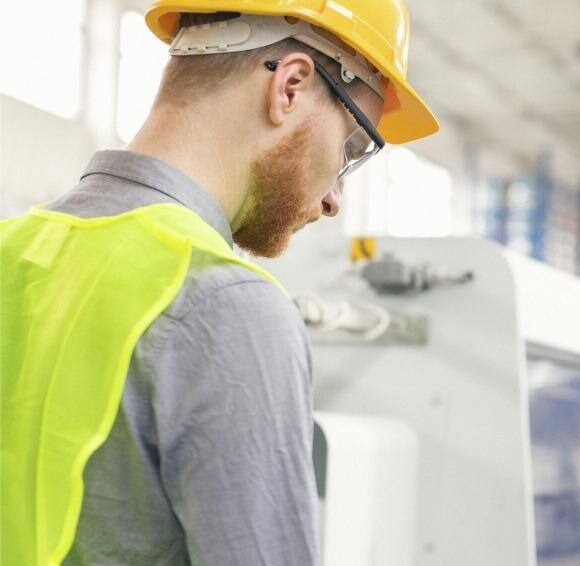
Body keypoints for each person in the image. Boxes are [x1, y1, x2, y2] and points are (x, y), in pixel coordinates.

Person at [0, 1, 437, 564]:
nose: (333, 199)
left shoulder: (11, 248)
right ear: (291, 87)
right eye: (351, 147)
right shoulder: (226, 303)